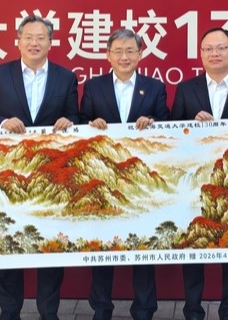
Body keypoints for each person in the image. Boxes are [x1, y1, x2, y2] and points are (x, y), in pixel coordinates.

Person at [0, 14, 79, 320]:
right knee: (9, 246)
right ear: (18, 41)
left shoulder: (65, 78)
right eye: (28, 37)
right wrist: (3, 122)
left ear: (50, 42)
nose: (34, 43)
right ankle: (9, 312)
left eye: (41, 38)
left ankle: (49, 312)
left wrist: (70, 121)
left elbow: (76, 116)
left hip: (50, 175)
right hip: (10, 172)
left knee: (50, 245)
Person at [171, 27, 228, 320]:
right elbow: (172, 135)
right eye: (209, 49)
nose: (215, 54)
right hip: (195, 185)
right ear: (201, 54)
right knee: (193, 248)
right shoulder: (187, 89)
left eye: (221, 48)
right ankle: (192, 311)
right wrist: (189, 124)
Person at [79, 28, 170, 320]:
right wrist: (91, 123)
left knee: (143, 247)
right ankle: (101, 308)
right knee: (102, 247)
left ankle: (144, 309)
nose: (124, 57)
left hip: (139, 181)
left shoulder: (154, 87)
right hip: (103, 177)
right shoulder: (94, 87)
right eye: (118, 51)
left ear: (140, 54)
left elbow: (166, 124)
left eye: (130, 51)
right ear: (107, 55)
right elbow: (81, 121)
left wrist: (152, 121)